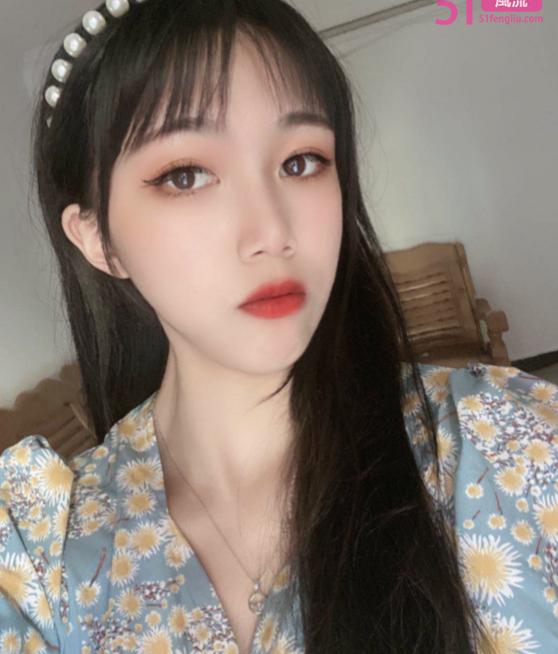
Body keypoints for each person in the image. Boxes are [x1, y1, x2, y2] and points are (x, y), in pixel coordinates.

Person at [1, 0, 557, 652]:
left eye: (301, 162)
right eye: (186, 175)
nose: (271, 230)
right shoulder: (39, 557)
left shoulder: (503, 441)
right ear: (99, 241)